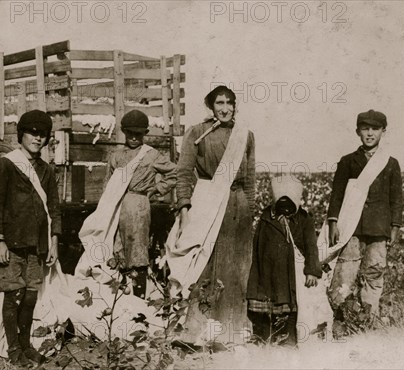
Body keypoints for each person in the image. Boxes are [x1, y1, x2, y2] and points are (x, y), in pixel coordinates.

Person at [166, 85, 255, 345]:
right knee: (204, 264)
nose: (225, 108)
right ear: (211, 106)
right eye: (219, 103)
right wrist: (184, 208)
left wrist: (249, 210)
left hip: (238, 207)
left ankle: (230, 331)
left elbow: (250, 179)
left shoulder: (245, 135)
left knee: (236, 270)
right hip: (207, 202)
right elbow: (183, 172)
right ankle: (196, 331)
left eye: (229, 103)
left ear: (235, 105)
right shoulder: (197, 133)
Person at [0, 110, 61, 367]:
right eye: (33, 133)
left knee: (30, 296)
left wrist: (54, 241)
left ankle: (27, 345)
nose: (38, 139)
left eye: (43, 135)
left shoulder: (47, 170)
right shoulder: (6, 164)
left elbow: (54, 207)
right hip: (11, 243)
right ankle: (14, 349)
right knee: (13, 296)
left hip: (37, 244)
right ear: (21, 134)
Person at [325, 109, 403, 337]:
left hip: (379, 229)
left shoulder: (390, 163)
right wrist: (333, 222)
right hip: (352, 227)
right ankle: (339, 323)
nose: (370, 134)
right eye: (365, 129)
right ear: (357, 131)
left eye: (375, 129)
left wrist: (395, 226)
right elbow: (336, 195)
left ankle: (368, 323)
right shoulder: (348, 161)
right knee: (344, 274)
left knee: (374, 274)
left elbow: (396, 198)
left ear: (383, 131)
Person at [104, 110, 176, 299]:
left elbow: (174, 173)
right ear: (124, 132)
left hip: (138, 205)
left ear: (145, 133)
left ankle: (138, 302)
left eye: (138, 134)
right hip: (117, 206)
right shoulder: (116, 156)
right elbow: (108, 184)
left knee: (137, 252)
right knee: (117, 249)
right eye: (130, 133)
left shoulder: (151, 155)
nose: (134, 138)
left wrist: (156, 189)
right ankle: (119, 302)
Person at [246, 174, 322, 346]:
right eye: (282, 204)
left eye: (290, 205)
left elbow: (311, 247)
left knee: (291, 306)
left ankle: (289, 339)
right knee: (269, 306)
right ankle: (265, 337)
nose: (286, 209)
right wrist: (256, 274)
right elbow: (258, 246)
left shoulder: (304, 219)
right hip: (268, 271)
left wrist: (312, 270)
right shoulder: (267, 218)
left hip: (291, 272)